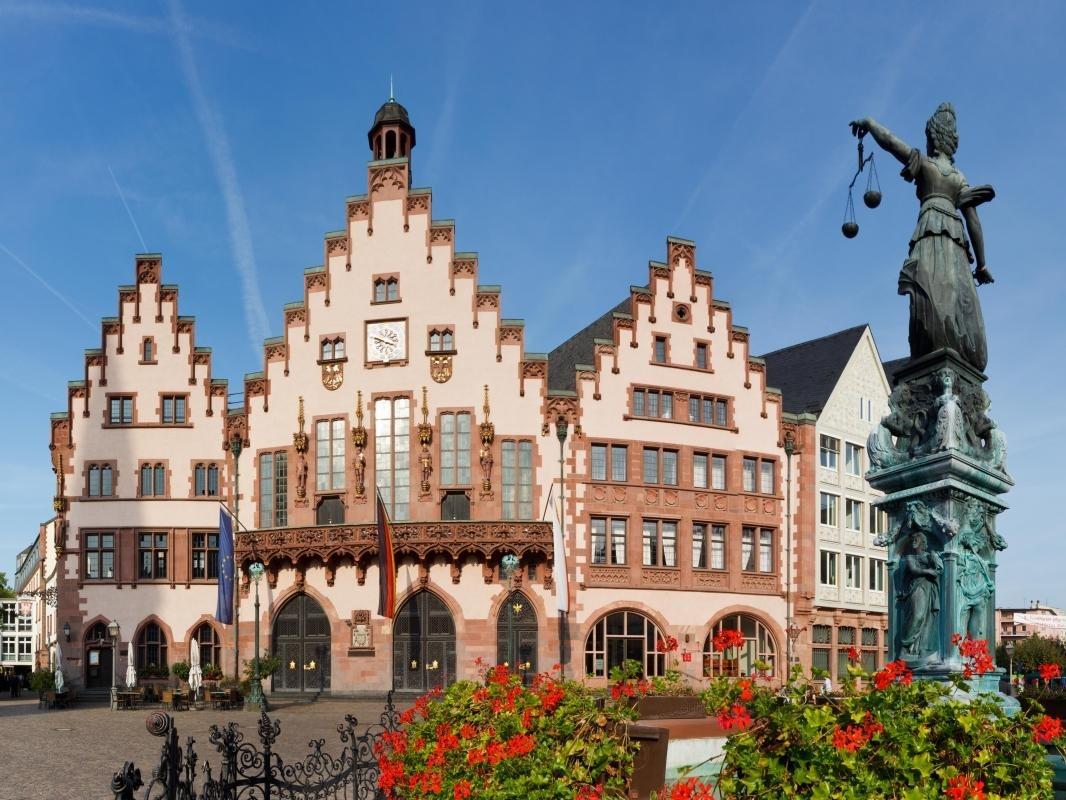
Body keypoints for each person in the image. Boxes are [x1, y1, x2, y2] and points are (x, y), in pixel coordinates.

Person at [851, 103, 994, 372]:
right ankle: (943, 349)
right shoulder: (959, 178)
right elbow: (973, 221)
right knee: (950, 296)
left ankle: (934, 348)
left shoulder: (927, 166)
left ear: (931, 138)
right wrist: (982, 264)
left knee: (928, 291)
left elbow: (892, 143)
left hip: (930, 235)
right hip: (956, 242)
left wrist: (870, 123)